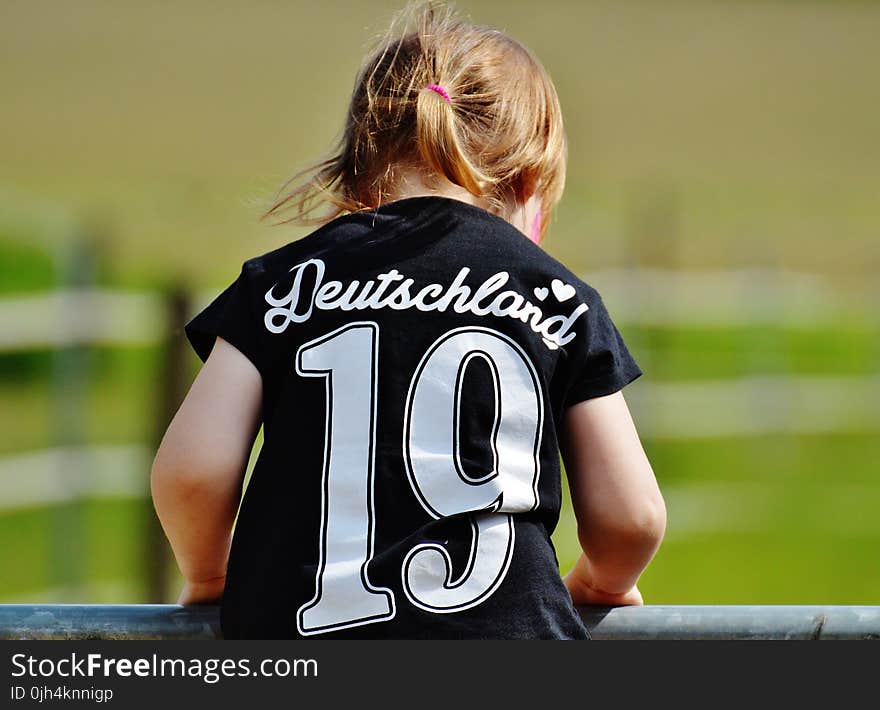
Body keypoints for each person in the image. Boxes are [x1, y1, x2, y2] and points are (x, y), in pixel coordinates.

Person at [151, 2, 665, 639]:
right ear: (531, 180)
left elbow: (192, 472)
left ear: (359, 166)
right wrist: (603, 584)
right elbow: (632, 517)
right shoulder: (559, 299)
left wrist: (209, 575)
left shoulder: (282, 283)